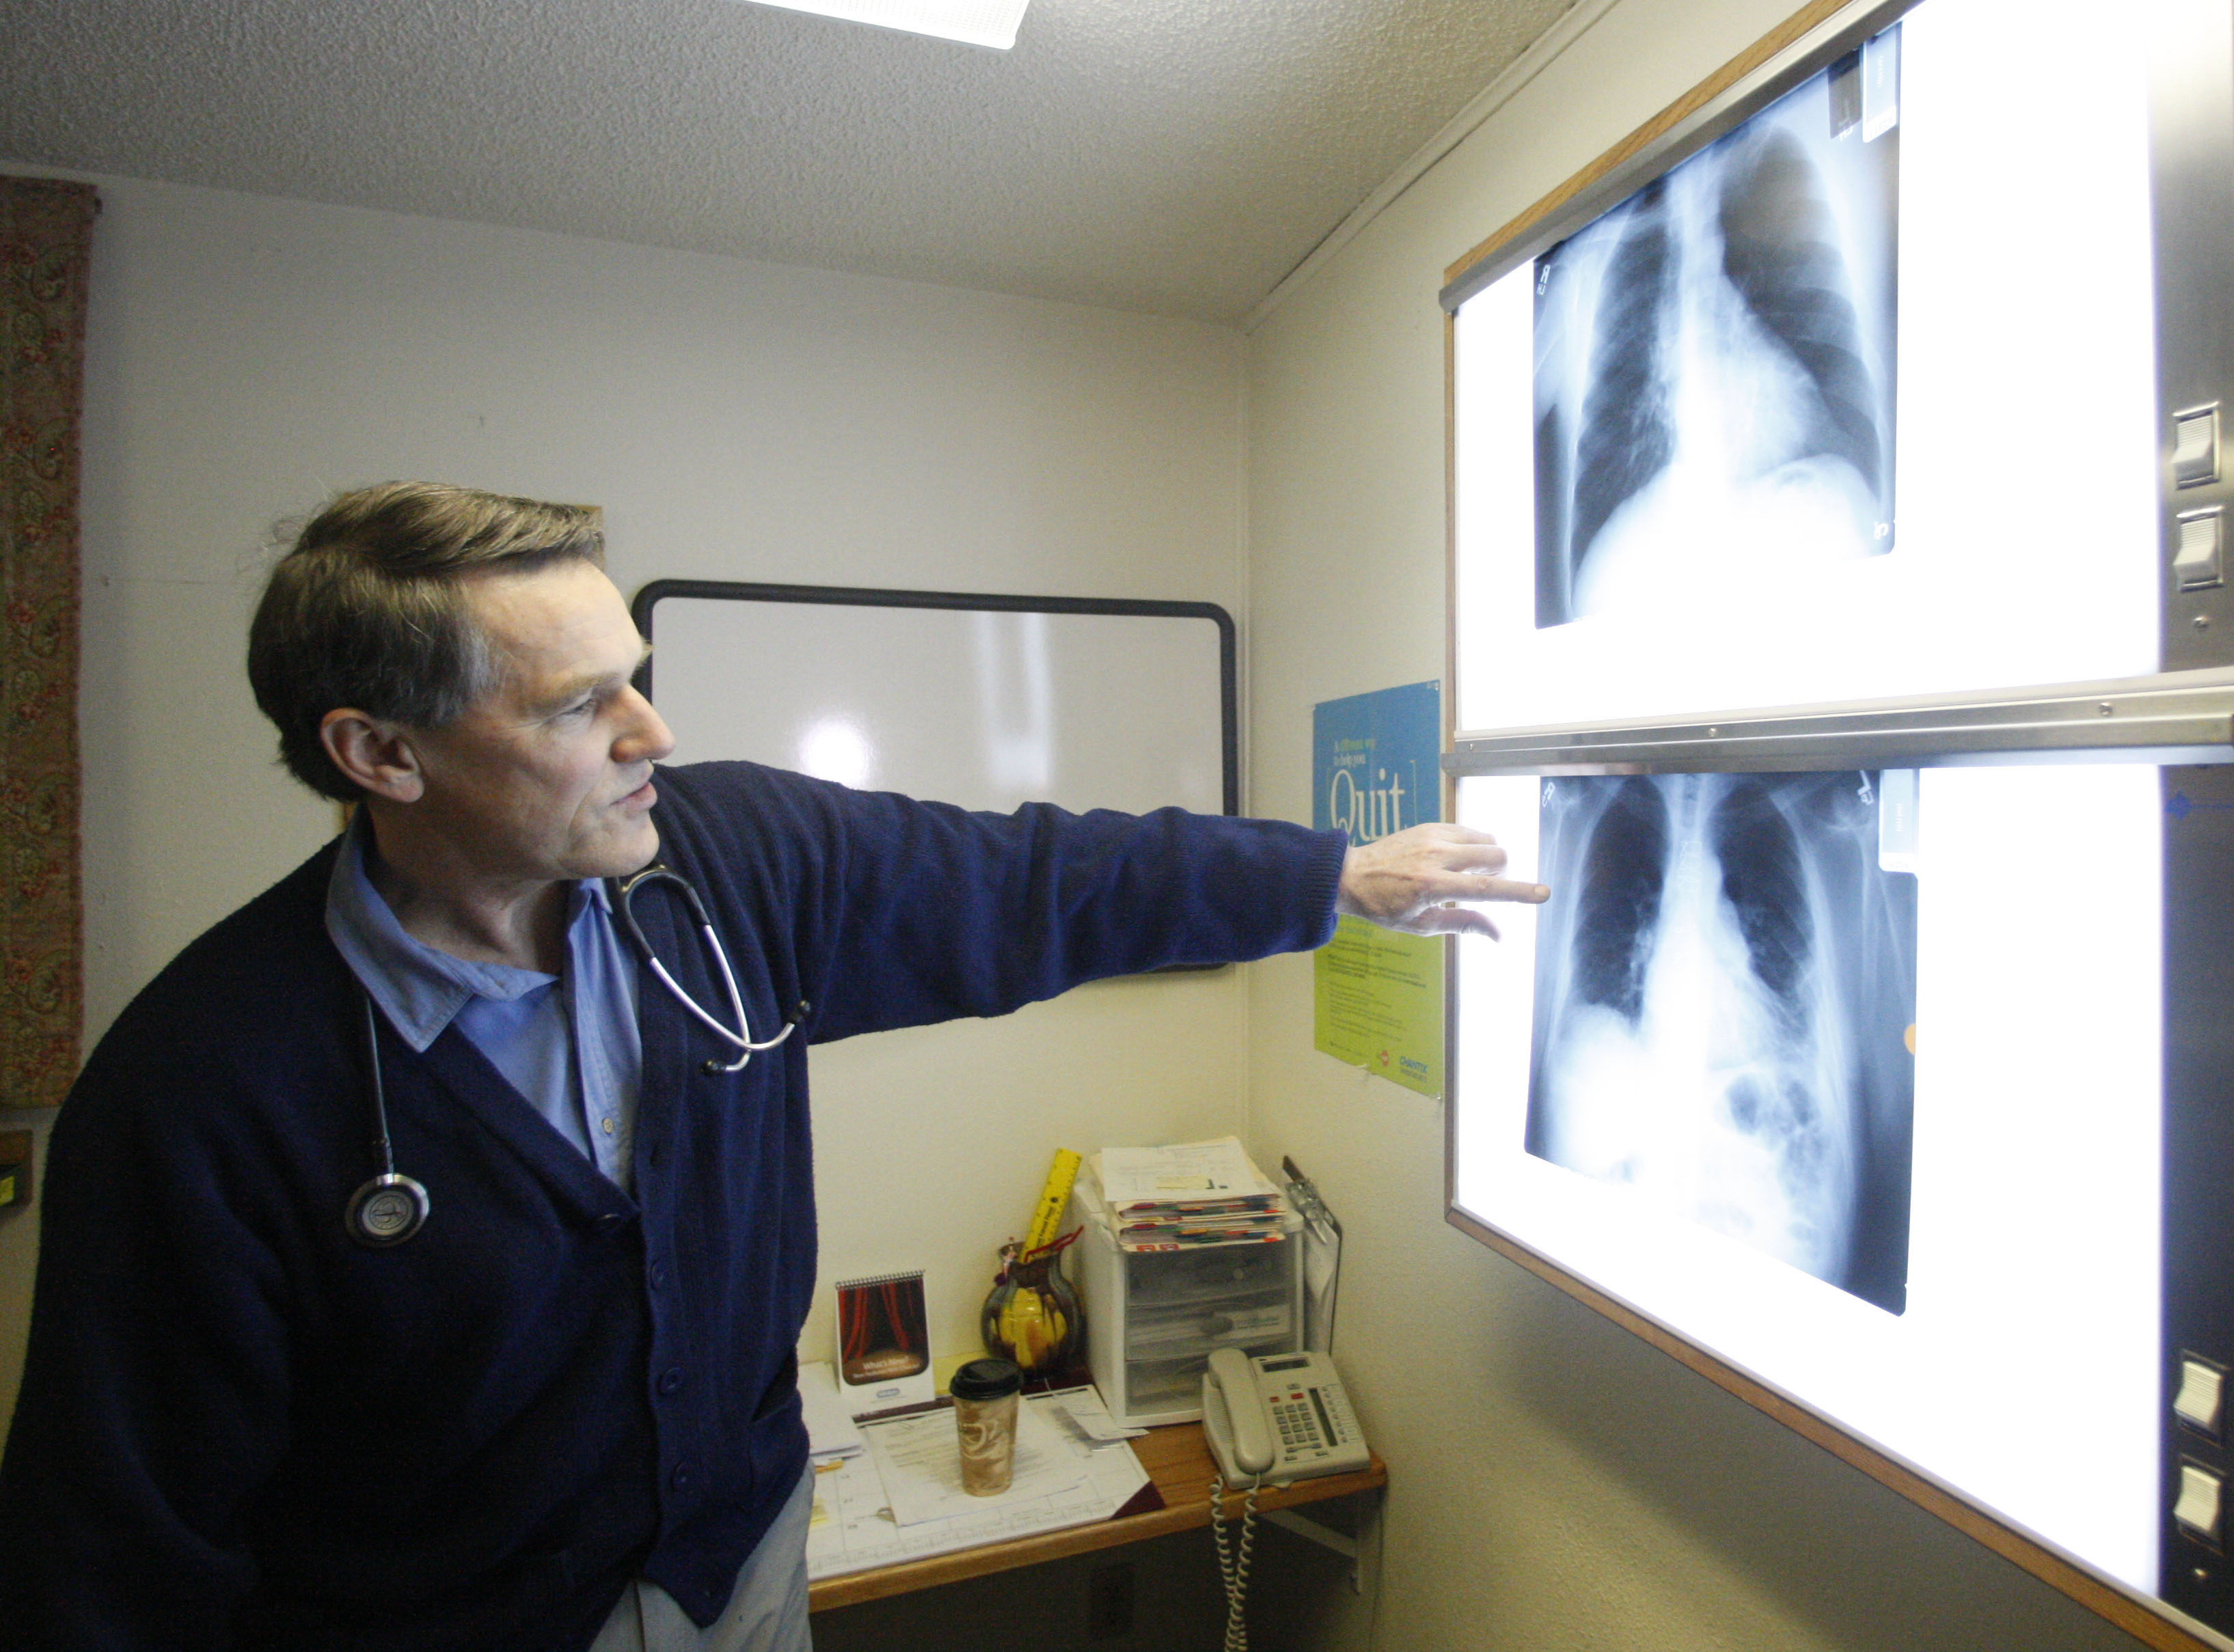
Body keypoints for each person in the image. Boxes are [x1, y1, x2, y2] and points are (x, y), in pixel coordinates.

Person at [0, 482, 1544, 1651]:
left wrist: (1328, 877)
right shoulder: (200, 1089)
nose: (651, 731)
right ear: (381, 756)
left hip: (737, 1566)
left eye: (637, 671)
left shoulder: (729, 864)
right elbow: (121, 1552)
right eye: (575, 703)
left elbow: (1026, 880)